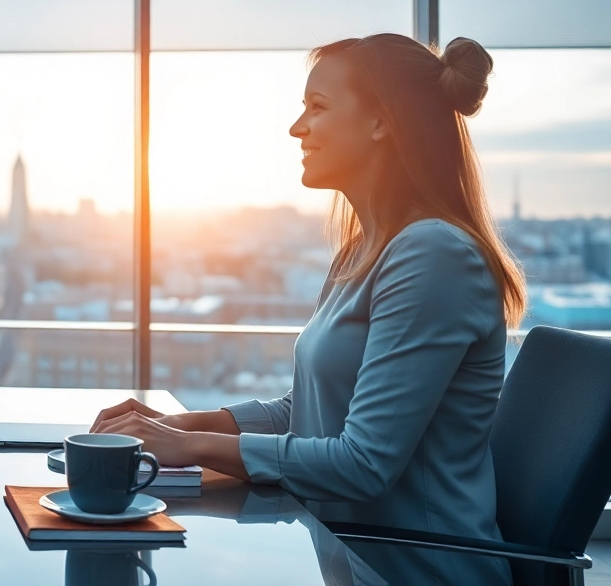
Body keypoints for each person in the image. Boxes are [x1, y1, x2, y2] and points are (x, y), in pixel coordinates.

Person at [92, 34, 526, 585]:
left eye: (317, 108)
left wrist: (187, 446)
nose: (298, 128)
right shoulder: (363, 250)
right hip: (348, 555)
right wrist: (175, 424)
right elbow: (308, 411)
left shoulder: (433, 255)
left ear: (380, 123)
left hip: (412, 570)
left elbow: (362, 465)